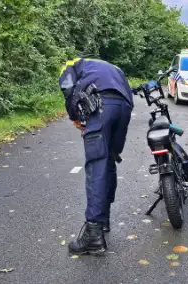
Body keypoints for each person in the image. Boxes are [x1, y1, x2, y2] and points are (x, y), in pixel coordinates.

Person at [59, 56, 133, 255]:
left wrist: (75, 117)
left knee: (96, 165)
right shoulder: (113, 67)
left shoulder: (70, 64)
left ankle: (93, 233)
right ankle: (104, 220)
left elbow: (68, 88)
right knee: (109, 159)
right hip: (124, 107)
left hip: (101, 105)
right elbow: (129, 93)